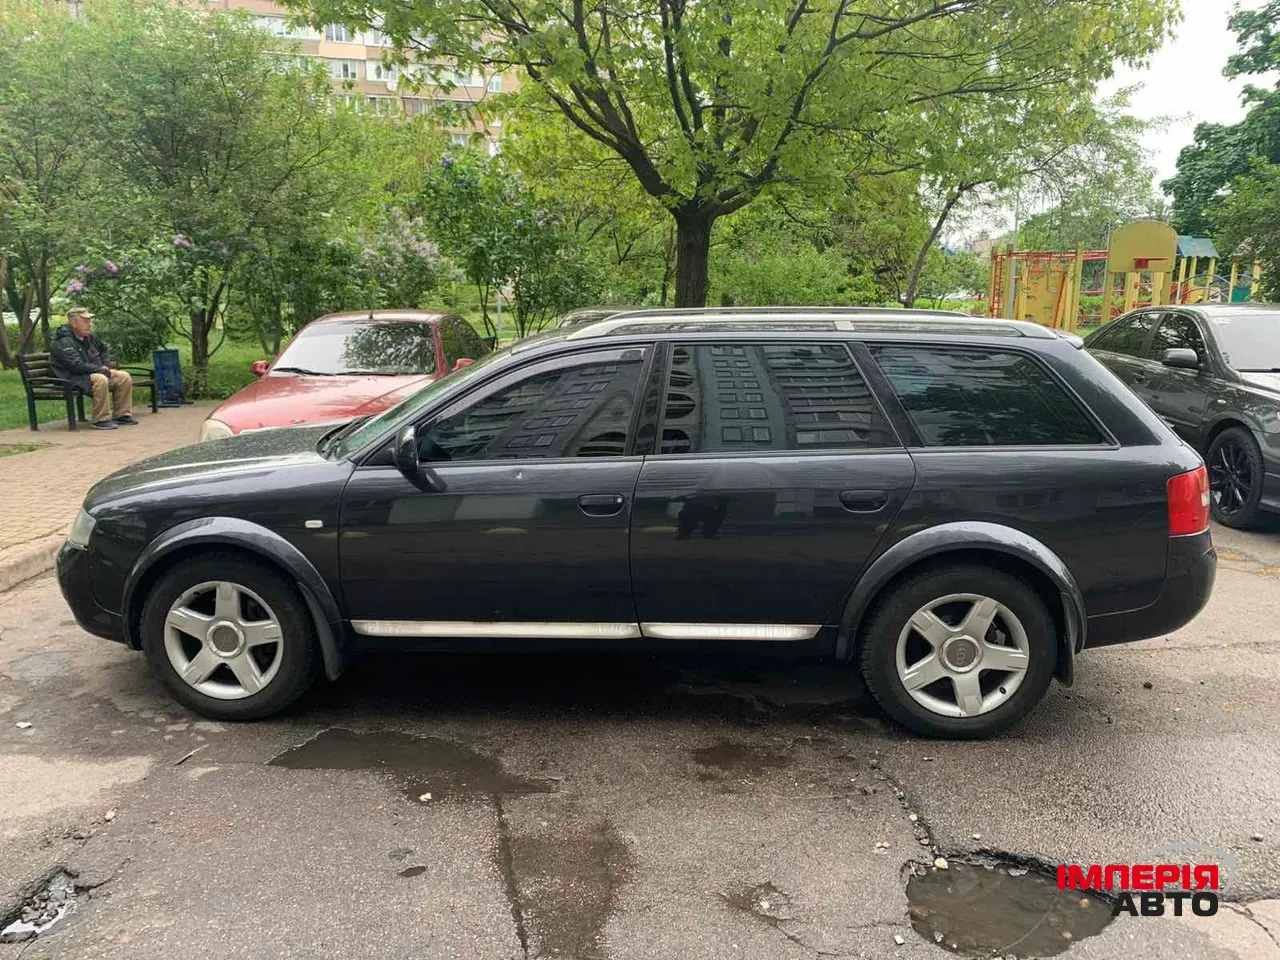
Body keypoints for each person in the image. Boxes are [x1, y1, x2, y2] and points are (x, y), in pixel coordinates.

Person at [49, 308, 137, 430]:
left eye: (89, 321)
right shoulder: (63, 341)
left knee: (123, 376)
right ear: (73, 323)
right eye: (85, 321)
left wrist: (105, 365)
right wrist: (100, 370)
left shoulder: (89, 337)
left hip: (87, 374)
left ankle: (122, 415)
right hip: (69, 378)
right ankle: (100, 419)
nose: (89, 324)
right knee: (100, 379)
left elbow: (104, 349)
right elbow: (75, 365)